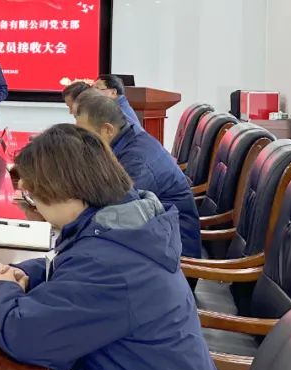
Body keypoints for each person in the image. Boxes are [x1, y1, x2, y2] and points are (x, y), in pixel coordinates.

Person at [0, 124, 224, 370]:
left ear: (62, 191)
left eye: (33, 198)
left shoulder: (110, 265)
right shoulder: (125, 219)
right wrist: (25, 273)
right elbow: (72, 264)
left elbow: (24, 334)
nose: (35, 208)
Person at [73, 90, 201, 259]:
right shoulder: (128, 141)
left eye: (86, 136)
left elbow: (116, 213)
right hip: (155, 240)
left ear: (107, 130)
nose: (83, 143)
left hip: (173, 254)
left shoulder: (137, 162)